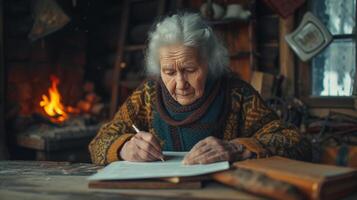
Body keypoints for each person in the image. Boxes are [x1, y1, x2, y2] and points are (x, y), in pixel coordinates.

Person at [89, 13, 311, 165]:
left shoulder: (237, 94)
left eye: (189, 69)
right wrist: (125, 148)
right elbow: (98, 144)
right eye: (169, 72)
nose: (180, 83)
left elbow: (297, 143)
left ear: (210, 63)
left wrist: (237, 149)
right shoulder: (147, 95)